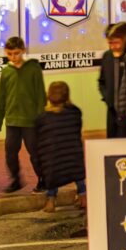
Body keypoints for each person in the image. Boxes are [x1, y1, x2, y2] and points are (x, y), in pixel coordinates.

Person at [0, 37, 45, 194]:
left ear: (23, 50)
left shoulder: (33, 69)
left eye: (16, 53)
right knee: (10, 152)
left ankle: (43, 180)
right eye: (9, 54)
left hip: (30, 121)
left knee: (35, 152)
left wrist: (41, 119)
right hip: (12, 121)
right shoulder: (6, 72)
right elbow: (1, 97)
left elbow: (40, 95)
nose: (13, 57)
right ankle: (16, 180)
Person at [35, 82, 85, 213]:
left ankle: (51, 201)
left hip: (53, 161)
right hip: (74, 158)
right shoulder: (75, 113)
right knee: (78, 173)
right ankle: (83, 197)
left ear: (49, 97)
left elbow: (39, 142)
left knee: (51, 172)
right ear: (67, 96)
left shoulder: (42, 118)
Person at [98, 24, 126, 138]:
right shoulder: (107, 56)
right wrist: (107, 97)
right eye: (110, 43)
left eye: (116, 42)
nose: (113, 46)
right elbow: (102, 80)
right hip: (111, 109)